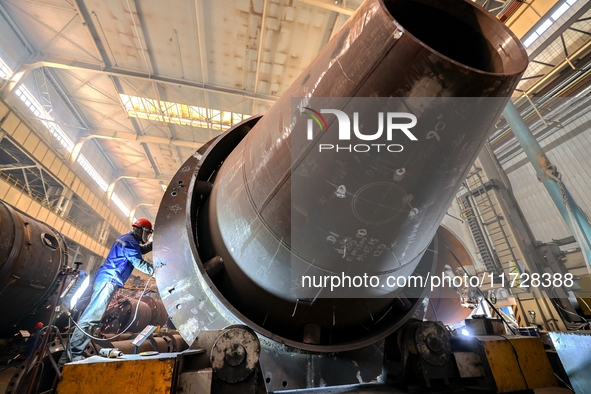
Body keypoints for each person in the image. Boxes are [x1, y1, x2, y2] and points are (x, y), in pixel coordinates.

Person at [59, 218, 155, 364]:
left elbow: (140, 250)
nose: (147, 236)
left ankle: (73, 353)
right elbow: (138, 261)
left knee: (92, 317)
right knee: (91, 318)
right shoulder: (129, 242)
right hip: (108, 280)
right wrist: (156, 271)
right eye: (147, 233)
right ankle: (72, 354)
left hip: (107, 280)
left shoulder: (129, 240)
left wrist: (154, 244)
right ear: (141, 230)